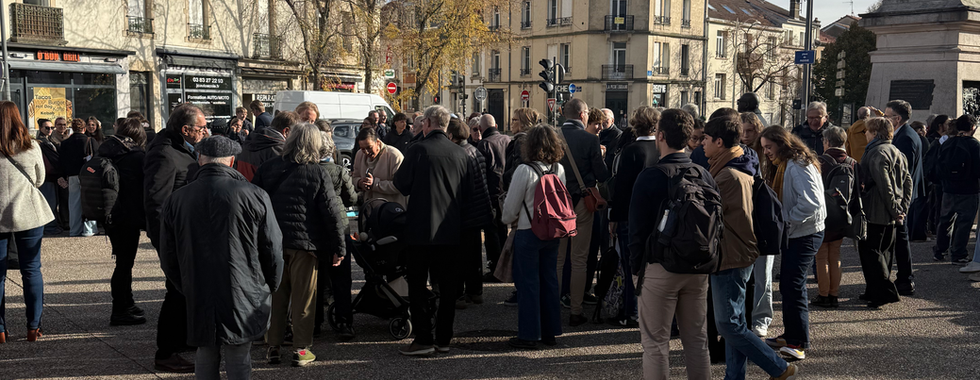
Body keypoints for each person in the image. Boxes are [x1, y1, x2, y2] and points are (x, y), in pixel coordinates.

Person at [159, 136, 284, 380]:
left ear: (200, 159)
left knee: (205, 349)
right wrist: (269, 285)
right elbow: (272, 247)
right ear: (232, 161)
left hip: (198, 285)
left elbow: (168, 254)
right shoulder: (255, 194)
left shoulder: (177, 199)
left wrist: (184, 285)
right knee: (238, 352)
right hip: (243, 286)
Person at [702, 115, 799, 380]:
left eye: (706, 139)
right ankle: (735, 376)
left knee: (728, 324)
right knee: (736, 323)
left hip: (732, 256)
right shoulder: (733, 164)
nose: (702, 144)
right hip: (735, 254)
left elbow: (740, 221)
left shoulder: (730, 175)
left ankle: (779, 367)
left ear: (719, 142)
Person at [253, 123, 346, 367]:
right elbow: (331, 213)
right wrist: (339, 246)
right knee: (304, 299)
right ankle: (301, 349)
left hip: (273, 243)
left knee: (276, 296)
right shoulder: (316, 172)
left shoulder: (267, 168)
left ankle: (272, 346)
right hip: (305, 244)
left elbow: (254, 206)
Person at [628, 108, 710, 380]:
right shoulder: (703, 174)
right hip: (698, 266)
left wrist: (635, 270)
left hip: (659, 266)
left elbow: (637, 231)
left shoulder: (650, 176)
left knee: (655, 344)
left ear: (660, 136)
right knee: (697, 342)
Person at [393, 105, 472, 356]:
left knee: (417, 285)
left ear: (427, 123)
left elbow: (401, 185)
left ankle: (424, 338)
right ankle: (444, 339)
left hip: (420, 230)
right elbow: (469, 195)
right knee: (448, 288)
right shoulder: (461, 154)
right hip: (451, 231)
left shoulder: (417, 150)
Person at [143, 103, 206, 373]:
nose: (205, 131)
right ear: (186, 130)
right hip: (175, 237)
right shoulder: (166, 154)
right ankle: (166, 351)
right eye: (201, 128)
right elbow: (157, 203)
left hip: (187, 233)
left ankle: (183, 340)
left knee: (186, 290)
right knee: (176, 291)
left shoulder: (183, 149)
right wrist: (165, 242)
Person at [759, 126, 826, 361]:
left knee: (793, 284)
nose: (766, 152)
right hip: (798, 231)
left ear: (781, 143)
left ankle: (798, 342)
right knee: (788, 284)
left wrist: (785, 221)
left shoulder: (797, 165)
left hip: (805, 233)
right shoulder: (789, 163)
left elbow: (811, 203)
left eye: (769, 147)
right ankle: (791, 335)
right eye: (764, 147)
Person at [502, 125, 567, 349]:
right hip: (552, 231)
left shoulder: (524, 170)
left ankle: (529, 334)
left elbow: (509, 210)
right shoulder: (558, 168)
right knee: (549, 281)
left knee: (528, 284)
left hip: (528, 230)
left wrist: (508, 217)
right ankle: (550, 332)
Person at [0, 100, 55, 344]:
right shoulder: (30, 146)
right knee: (31, 269)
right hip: (28, 211)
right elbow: (40, 179)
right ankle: (33, 327)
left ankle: (0, 330)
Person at [556, 98, 610, 326]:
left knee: (557, 259)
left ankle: (552, 307)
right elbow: (602, 175)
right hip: (582, 201)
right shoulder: (590, 140)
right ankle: (575, 311)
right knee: (579, 259)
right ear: (582, 115)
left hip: (556, 201)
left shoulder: (553, 136)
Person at [608, 106, 660, 326]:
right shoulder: (661, 149)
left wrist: (613, 217)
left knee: (631, 266)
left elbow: (622, 188)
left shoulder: (631, 151)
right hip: (657, 216)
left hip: (630, 215)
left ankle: (631, 311)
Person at [100, 118, 149, 326]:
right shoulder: (135, 155)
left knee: (123, 262)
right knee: (124, 264)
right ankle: (120, 309)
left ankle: (127, 302)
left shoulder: (105, 150)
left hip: (110, 213)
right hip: (127, 215)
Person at [858, 117, 910, 308]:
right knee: (884, 252)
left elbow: (885, 185)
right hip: (890, 211)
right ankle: (873, 290)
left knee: (871, 252)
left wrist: (896, 209)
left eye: (867, 131)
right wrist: (902, 207)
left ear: (874, 133)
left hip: (877, 210)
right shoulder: (897, 151)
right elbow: (907, 181)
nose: (865, 134)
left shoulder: (877, 152)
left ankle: (883, 292)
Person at [313, 130, 358, 341]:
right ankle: (344, 321)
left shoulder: (309, 170)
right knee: (341, 278)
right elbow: (352, 198)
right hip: (340, 225)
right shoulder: (339, 171)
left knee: (316, 278)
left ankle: (314, 323)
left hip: (316, 228)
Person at [812, 126, 862, 309]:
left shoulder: (820, 162)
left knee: (821, 257)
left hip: (824, 215)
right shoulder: (852, 163)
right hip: (843, 215)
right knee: (836, 255)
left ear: (826, 142)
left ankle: (823, 294)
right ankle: (834, 294)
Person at [447, 118, 494, 308]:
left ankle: (458, 293)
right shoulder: (475, 151)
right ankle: (475, 291)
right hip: (479, 208)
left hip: (464, 212)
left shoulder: (457, 155)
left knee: (458, 256)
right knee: (474, 254)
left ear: (451, 136)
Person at [883, 99, 921, 294]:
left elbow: (902, 173)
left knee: (900, 240)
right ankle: (904, 277)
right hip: (903, 197)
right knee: (899, 239)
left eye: (886, 116)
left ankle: (905, 278)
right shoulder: (905, 134)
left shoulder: (905, 137)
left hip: (900, 198)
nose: (884, 119)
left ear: (897, 119)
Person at [933, 115, 980, 269]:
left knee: (945, 220)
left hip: (948, 188)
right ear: (972, 128)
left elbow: (939, 165)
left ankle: (940, 250)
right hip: (969, 189)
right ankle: (958, 253)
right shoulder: (974, 145)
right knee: (964, 222)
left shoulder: (948, 143)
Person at [476, 114, 512, 277]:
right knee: (504, 231)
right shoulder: (508, 140)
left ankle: (496, 268)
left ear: (481, 129)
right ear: (496, 125)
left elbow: (481, 173)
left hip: (491, 194)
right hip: (509, 191)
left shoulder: (484, 144)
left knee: (492, 233)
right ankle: (506, 266)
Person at [58, 118, 98, 237]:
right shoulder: (90, 141)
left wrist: (62, 175)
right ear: (84, 129)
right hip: (88, 175)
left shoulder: (65, 143)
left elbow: (61, 161)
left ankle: (74, 229)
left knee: (73, 203)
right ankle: (89, 229)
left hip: (72, 175)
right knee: (88, 202)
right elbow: (97, 159)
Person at [237, 111, 301, 181]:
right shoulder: (279, 150)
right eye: (295, 133)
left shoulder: (250, 140)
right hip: (259, 190)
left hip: (242, 187)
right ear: (286, 131)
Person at [351, 127, 406, 207]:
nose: (366, 152)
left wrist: (375, 184)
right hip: (369, 210)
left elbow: (401, 186)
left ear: (377, 142)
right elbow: (354, 177)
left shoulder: (394, 156)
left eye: (369, 148)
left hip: (391, 211)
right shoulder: (359, 154)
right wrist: (359, 183)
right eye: (363, 149)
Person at [35, 118, 64, 235]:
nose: (50, 130)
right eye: (47, 128)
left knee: (53, 201)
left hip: (51, 176)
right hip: (47, 176)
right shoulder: (41, 142)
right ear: (40, 128)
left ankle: (52, 225)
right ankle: (49, 227)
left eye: (51, 128)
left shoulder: (49, 140)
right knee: (49, 202)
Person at [503, 108, 538, 189]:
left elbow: (518, 168)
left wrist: (504, 178)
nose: (511, 123)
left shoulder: (521, 141)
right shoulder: (532, 138)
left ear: (524, 123)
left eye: (515, 120)